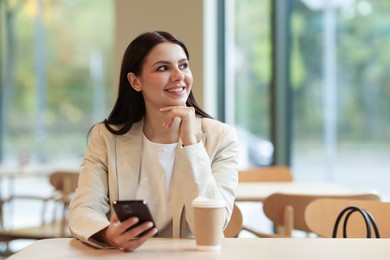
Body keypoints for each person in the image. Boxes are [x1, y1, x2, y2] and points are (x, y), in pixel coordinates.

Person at [68, 31, 240, 251]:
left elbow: (209, 229)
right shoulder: (106, 137)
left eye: (183, 65)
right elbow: (83, 209)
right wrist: (107, 234)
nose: (179, 76)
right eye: (163, 68)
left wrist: (190, 144)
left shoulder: (222, 138)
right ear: (135, 81)